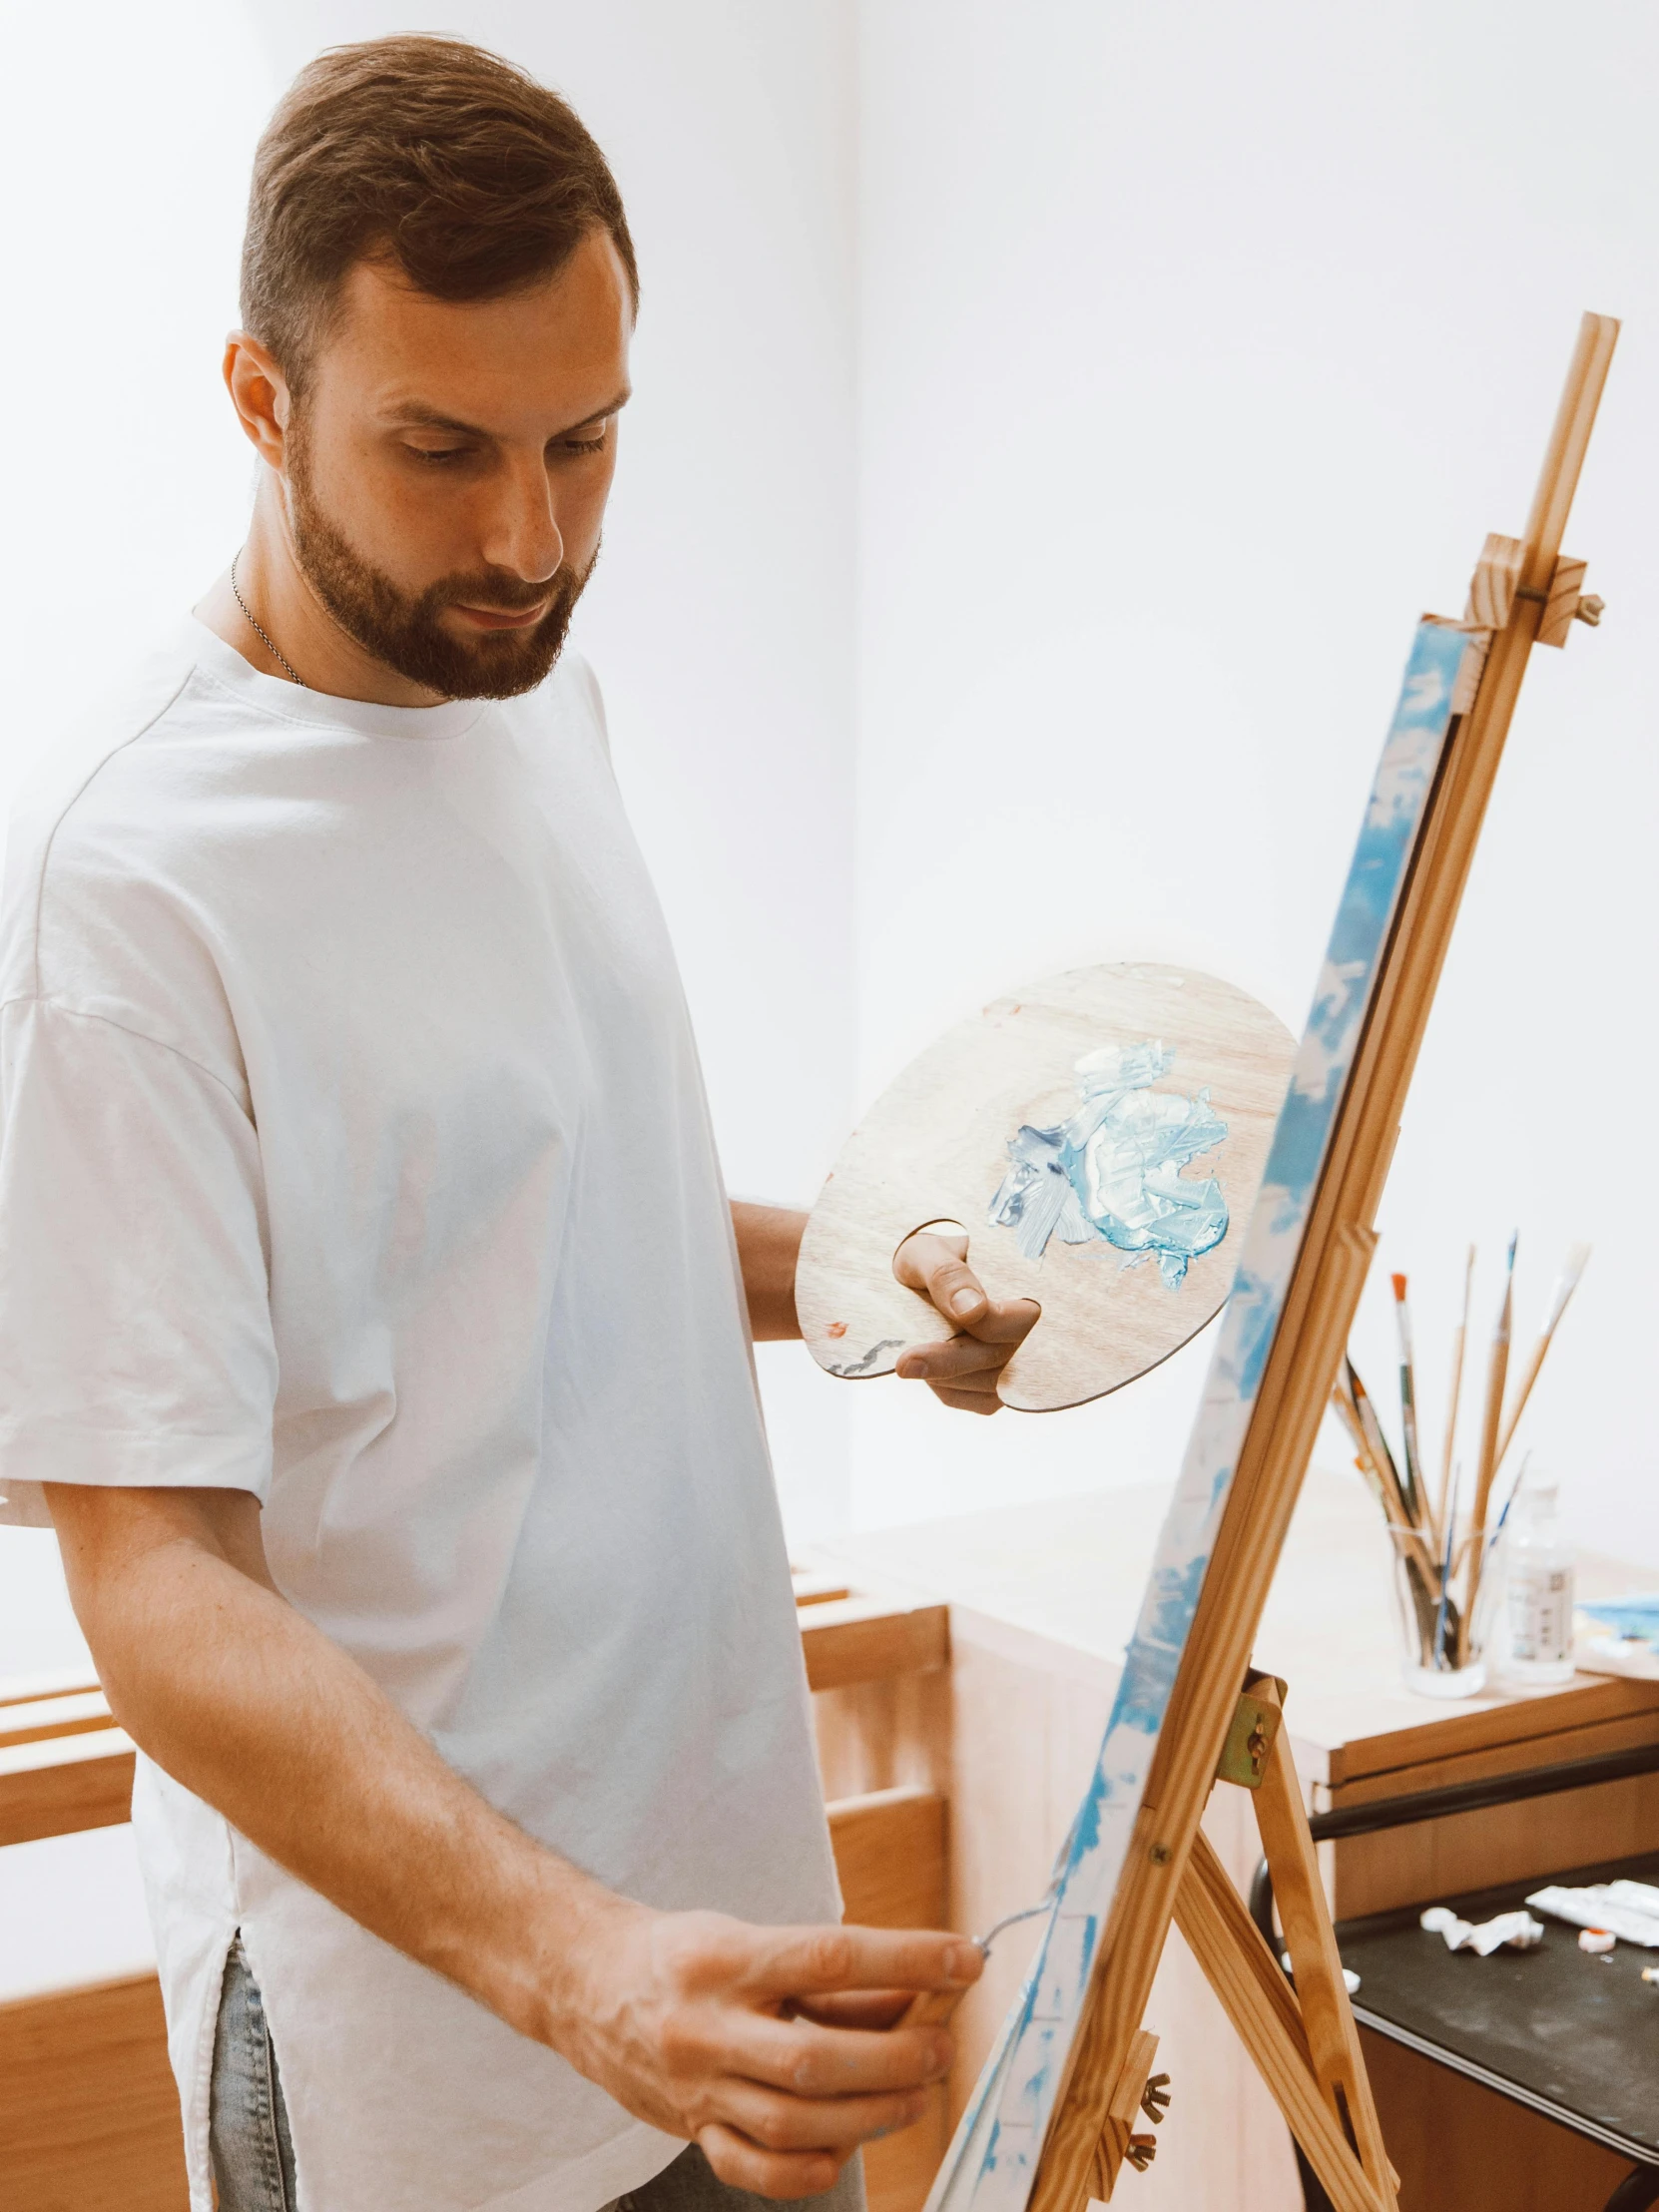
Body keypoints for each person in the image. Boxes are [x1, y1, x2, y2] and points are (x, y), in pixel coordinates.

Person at [0, 37, 1039, 2212]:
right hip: (440, 2074)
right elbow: (149, 1569)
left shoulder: (535, 688)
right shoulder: (134, 887)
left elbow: (544, 1226)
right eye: (441, 447)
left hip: (729, 1974)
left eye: (587, 444)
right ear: (262, 403)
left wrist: (866, 1271)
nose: (527, 536)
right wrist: (585, 1975)